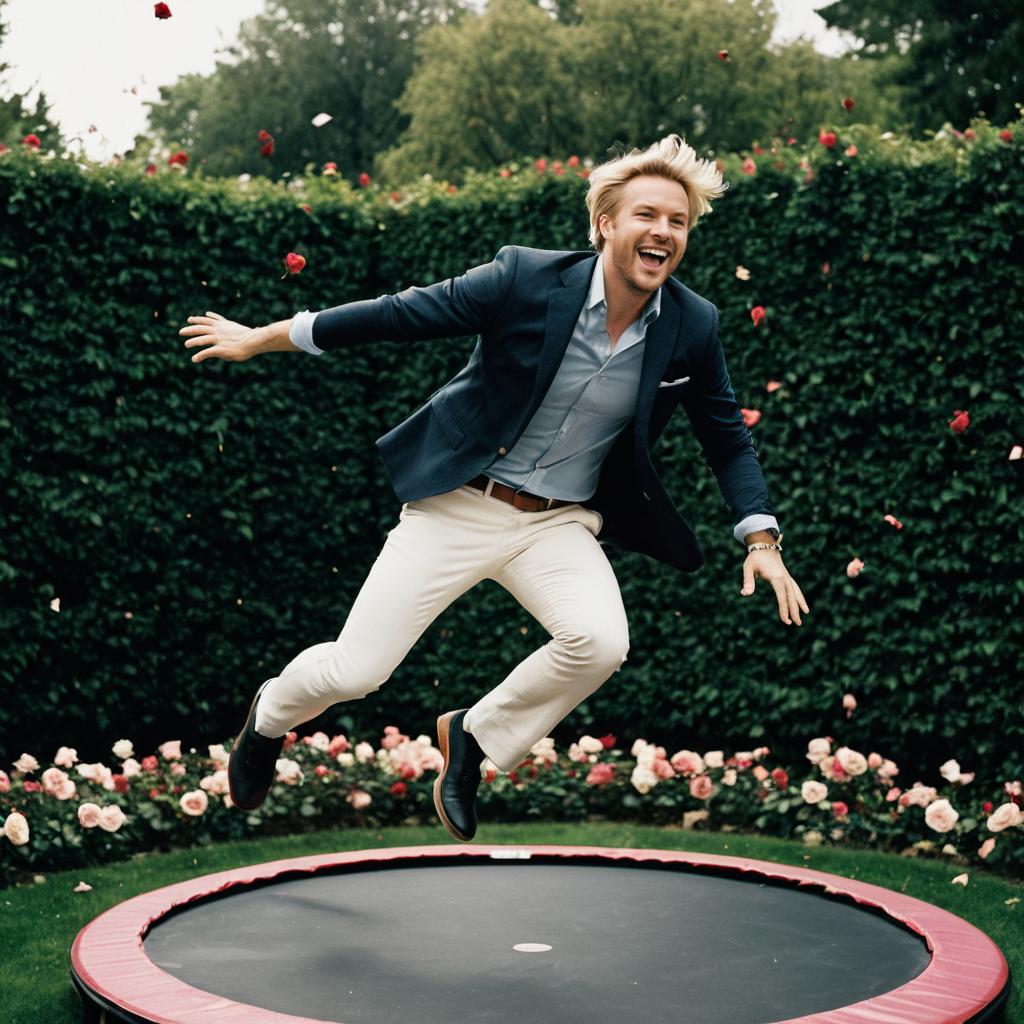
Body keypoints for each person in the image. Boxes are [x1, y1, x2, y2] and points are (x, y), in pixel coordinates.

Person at [179, 133, 809, 843]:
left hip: (557, 525)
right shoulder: (525, 279)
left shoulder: (693, 326)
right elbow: (397, 314)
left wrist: (761, 538)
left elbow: (726, 434)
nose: (663, 231)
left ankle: (473, 737)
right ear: (606, 222)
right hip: (459, 506)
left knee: (601, 642)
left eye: (679, 221)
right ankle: (268, 718)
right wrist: (262, 337)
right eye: (647, 214)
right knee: (356, 671)